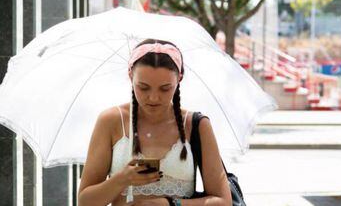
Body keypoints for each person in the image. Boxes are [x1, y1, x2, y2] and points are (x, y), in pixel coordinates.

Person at [78, 39, 232, 206]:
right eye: (143, 87)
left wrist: (169, 204)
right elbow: (85, 202)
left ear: (179, 79)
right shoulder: (111, 121)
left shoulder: (196, 125)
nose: (153, 97)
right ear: (130, 76)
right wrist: (122, 179)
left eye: (165, 88)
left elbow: (223, 201)